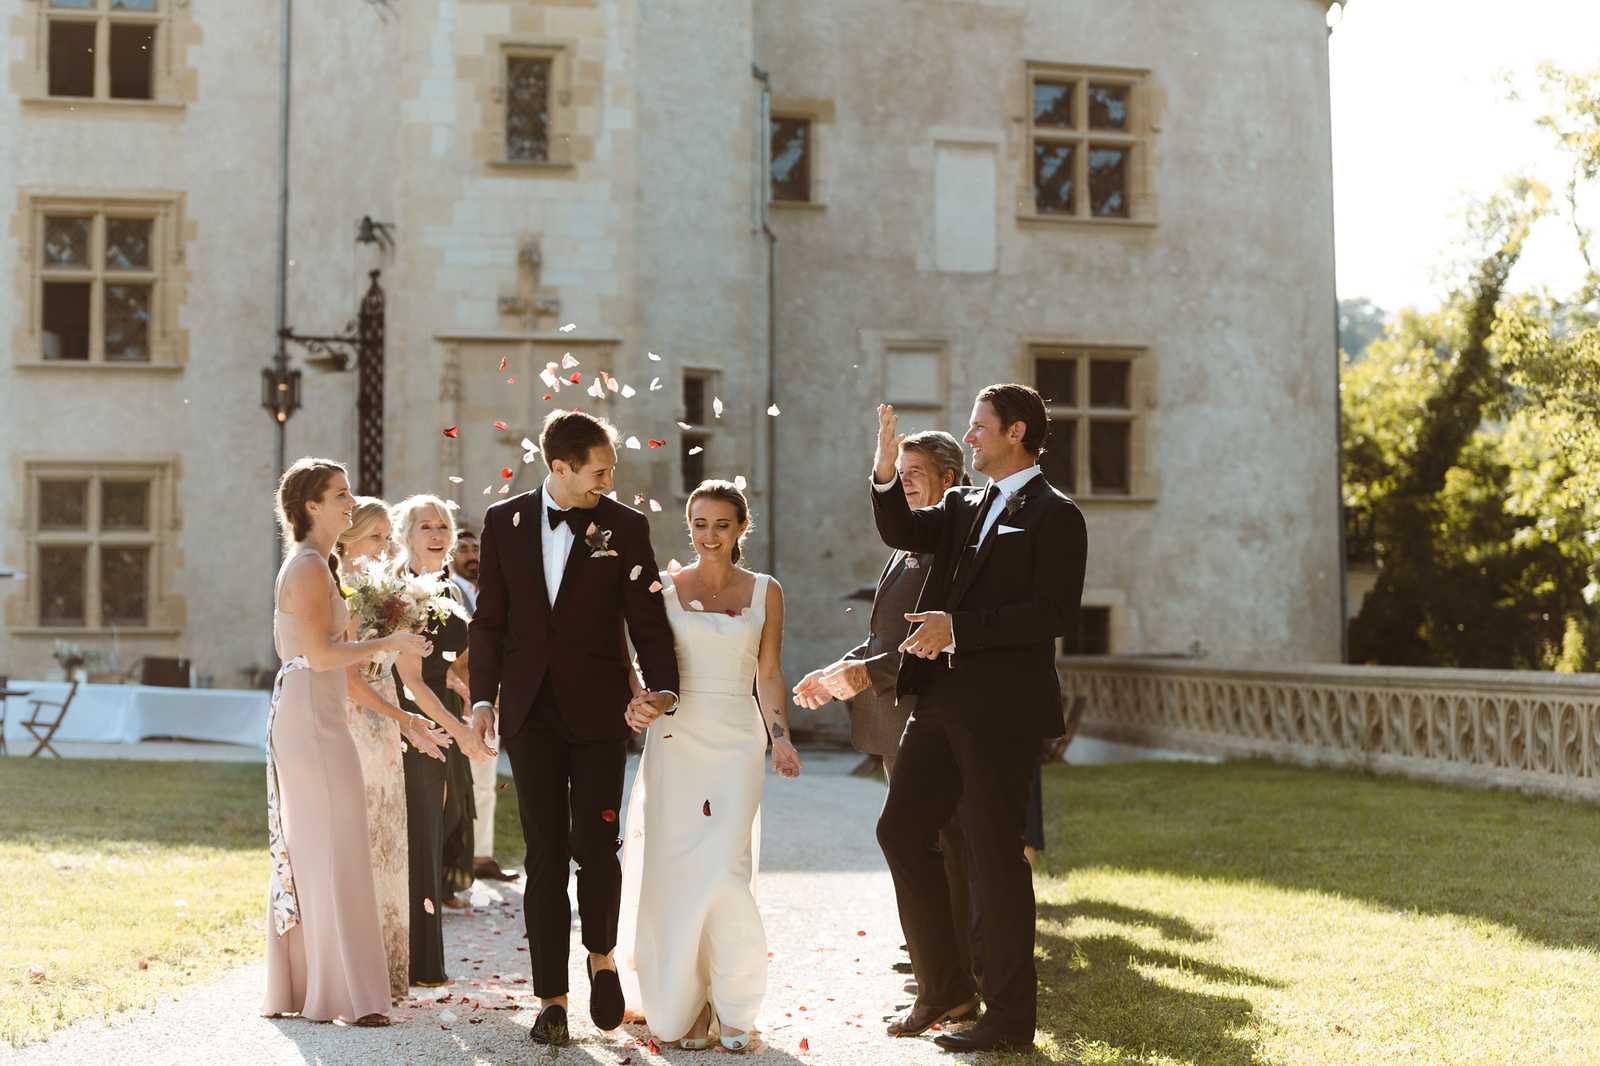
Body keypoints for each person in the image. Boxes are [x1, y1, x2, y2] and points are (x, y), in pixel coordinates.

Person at [870, 388, 1087, 1054]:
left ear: (1015, 432)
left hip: (1003, 712)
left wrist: (957, 628)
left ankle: (1010, 1019)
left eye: (979, 428)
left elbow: (1052, 615)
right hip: (937, 703)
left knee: (995, 860)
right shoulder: (962, 505)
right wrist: (884, 468)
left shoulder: (1058, 516)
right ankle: (946, 986)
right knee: (901, 830)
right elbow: (902, 529)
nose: (968, 438)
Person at [466, 409, 680, 1047]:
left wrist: (663, 689)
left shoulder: (625, 526)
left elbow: (646, 619)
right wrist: (483, 699)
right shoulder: (503, 523)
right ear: (559, 468)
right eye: (599, 472)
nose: (607, 483)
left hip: (599, 713)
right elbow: (489, 623)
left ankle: (602, 960)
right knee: (544, 855)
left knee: (596, 844)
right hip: (529, 714)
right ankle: (551, 999)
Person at [792, 431, 983, 1004]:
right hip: (896, 719)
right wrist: (835, 672)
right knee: (924, 843)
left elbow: (933, 642)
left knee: (943, 846)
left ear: (950, 478)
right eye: (900, 471)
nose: (904, 480)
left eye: (915, 471)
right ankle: (933, 964)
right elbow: (886, 635)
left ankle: (955, 975)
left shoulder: (950, 544)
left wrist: (866, 675)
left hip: (926, 713)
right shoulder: (911, 541)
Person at [616, 480, 802, 1052]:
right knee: (675, 871)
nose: (709, 535)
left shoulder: (767, 591)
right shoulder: (664, 588)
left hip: (737, 740)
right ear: (688, 527)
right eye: (699, 523)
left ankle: (733, 1004)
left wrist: (781, 738)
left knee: (726, 868)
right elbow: (638, 659)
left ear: (742, 528)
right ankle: (684, 1005)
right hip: (677, 735)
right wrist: (641, 699)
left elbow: (767, 672)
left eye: (722, 524)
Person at [261, 458, 431, 1026]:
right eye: (339, 494)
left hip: (321, 710)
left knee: (327, 846)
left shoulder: (322, 565)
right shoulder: (307, 568)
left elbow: (343, 672)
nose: (350, 501)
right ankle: (346, 997)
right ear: (311, 506)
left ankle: (315, 988)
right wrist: (390, 639)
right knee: (332, 846)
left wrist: (403, 718)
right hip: (310, 718)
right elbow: (321, 656)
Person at [335, 496, 452, 1000]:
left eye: (387, 537)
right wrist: (406, 719)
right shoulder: (334, 590)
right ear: (348, 538)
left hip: (385, 723)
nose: (388, 547)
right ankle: (347, 963)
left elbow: (408, 676)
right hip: (350, 721)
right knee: (354, 837)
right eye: (378, 537)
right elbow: (345, 674)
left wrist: (418, 724)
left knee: (387, 840)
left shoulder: (386, 594)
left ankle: (386, 964)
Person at [390, 495, 495, 985]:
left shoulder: (447, 586)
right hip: (410, 719)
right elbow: (409, 677)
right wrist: (457, 732)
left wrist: (460, 684)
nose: (437, 535)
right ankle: (416, 962)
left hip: (442, 705)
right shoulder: (400, 590)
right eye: (426, 526)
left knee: (447, 819)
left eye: (443, 526)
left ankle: (422, 958)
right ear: (406, 535)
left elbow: (441, 662)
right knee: (422, 832)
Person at [448, 528, 516, 884]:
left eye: (476, 549)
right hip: (464, 695)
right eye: (464, 549)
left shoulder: (486, 589)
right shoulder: (452, 590)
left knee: (486, 782)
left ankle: (483, 855)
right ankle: (459, 860)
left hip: (493, 696)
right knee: (463, 783)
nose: (472, 555)